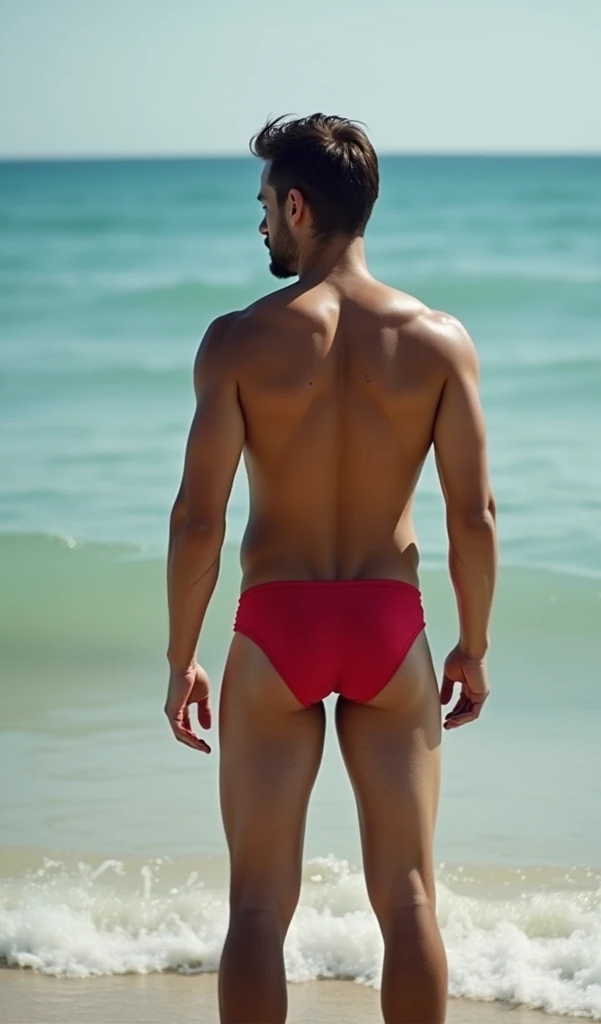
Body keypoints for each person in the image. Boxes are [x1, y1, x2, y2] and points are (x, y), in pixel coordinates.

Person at [164, 114, 497, 1024]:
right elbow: (473, 516)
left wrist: (180, 655)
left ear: (299, 206)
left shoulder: (237, 340)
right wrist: (472, 645)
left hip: (277, 630)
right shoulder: (439, 339)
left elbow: (199, 519)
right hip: (390, 626)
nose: (262, 224)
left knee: (258, 908)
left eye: (266, 205)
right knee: (412, 900)